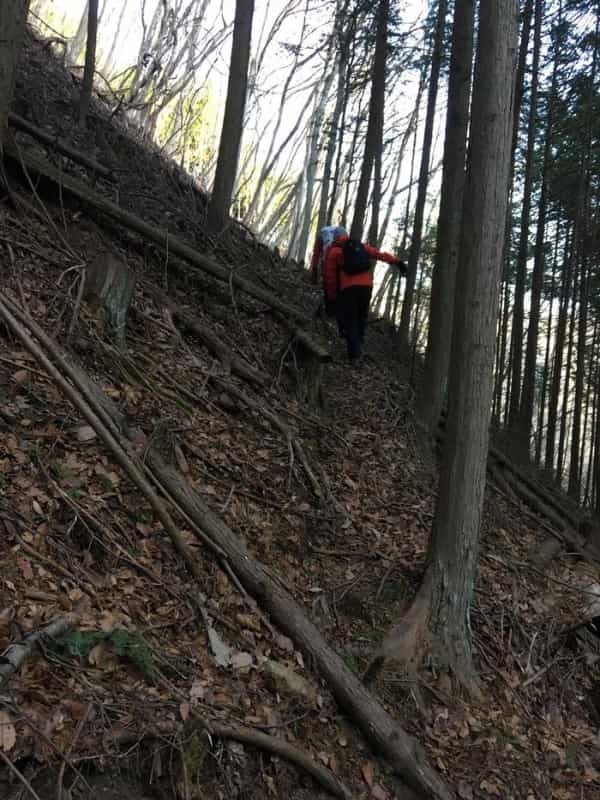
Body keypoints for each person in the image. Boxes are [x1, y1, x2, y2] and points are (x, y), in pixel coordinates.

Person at [323, 232, 406, 362]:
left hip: (348, 288)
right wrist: (397, 262)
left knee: (351, 320)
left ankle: (354, 355)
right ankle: (358, 347)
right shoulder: (360, 246)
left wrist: (332, 297)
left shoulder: (333, 251)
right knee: (361, 317)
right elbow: (378, 254)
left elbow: (330, 277)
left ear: (335, 239)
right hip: (366, 286)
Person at [310, 224, 347, 315]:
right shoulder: (341, 232)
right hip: (340, 250)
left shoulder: (322, 234)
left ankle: (331, 307)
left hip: (331, 252)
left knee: (328, 280)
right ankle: (335, 306)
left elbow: (316, 254)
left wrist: (314, 269)